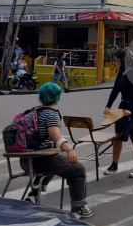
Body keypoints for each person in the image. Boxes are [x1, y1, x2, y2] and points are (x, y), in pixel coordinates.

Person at [22, 83, 93, 218]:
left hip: (26, 162)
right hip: (41, 161)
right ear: (57, 97)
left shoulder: (31, 113)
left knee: (58, 163)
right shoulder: (51, 114)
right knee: (78, 170)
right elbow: (55, 135)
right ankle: (78, 206)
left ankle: (34, 195)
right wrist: (69, 149)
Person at [103, 49, 133, 178]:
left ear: (122, 60)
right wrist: (108, 106)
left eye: (117, 59)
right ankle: (114, 164)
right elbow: (115, 90)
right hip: (124, 104)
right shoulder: (121, 73)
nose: (116, 61)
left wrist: (130, 108)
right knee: (118, 135)